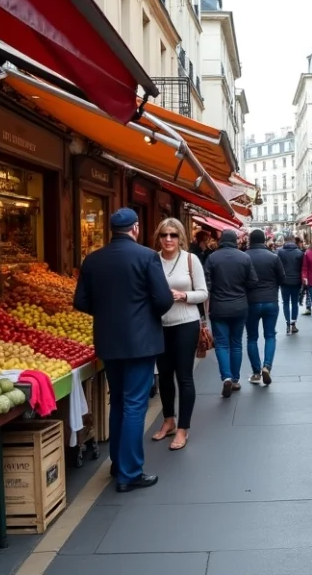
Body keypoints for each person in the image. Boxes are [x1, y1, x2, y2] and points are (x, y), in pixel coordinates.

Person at [74, 208, 173, 490]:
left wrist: (105, 312)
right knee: (134, 405)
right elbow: (164, 299)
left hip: (108, 341)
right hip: (140, 342)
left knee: (117, 401)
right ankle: (129, 472)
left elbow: (80, 301)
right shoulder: (146, 256)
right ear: (136, 228)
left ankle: (118, 464)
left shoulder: (93, 260)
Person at [150, 218, 207, 451]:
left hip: (186, 323)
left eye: (173, 235)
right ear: (159, 237)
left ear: (180, 237)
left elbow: (203, 293)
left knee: (184, 376)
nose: (168, 239)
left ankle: (183, 428)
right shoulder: (152, 260)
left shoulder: (191, 260)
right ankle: (168, 420)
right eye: (164, 235)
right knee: (163, 376)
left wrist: (184, 296)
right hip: (159, 325)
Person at [204, 229, 258, 397]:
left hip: (219, 307)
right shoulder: (244, 257)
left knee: (221, 344)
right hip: (240, 306)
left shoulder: (212, 258)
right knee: (236, 343)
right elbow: (253, 281)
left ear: (221, 241)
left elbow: (206, 283)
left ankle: (226, 377)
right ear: (235, 241)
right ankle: (235, 380)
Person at [244, 230, 284, 385]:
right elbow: (282, 278)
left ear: (250, 240)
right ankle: (267, 366)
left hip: (251, 301)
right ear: (264, 240)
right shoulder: (273, 257)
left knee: (252, 337)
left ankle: (256, 372)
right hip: (270, 300)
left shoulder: (245, 256)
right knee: (270, 335)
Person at [276, 234, 304, 334]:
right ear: (293, 241)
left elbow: (277, 267)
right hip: (296, 281)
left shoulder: (279, 252)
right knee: (295, 303)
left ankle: (287, 323)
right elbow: (302, 268)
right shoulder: (299, 253)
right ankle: (293, 324)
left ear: (285, 241)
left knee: (286, 303)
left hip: (284, 281)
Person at [296, 236, 311, 317]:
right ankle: (307, 306)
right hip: (305, 274)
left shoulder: (303, 252)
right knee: (306, 291)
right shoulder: (303, 252)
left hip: (304, 274)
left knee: (305, 291)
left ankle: (307, 306)